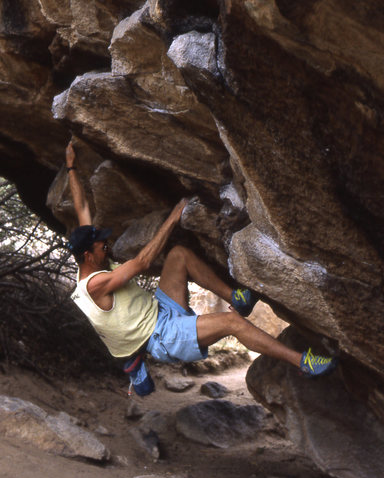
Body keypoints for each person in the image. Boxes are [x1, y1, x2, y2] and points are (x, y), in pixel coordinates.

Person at [65, 141, 337, 394]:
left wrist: (71, 167)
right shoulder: (94, 285)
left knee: (179, 254)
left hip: (158, 311)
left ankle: (236, 299)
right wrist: (173, 217)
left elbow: (81, 207)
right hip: (161, 335)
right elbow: (142, 262)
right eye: (101, 246)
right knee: (231, 323)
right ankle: (303, 362)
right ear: (88, 255)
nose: (106, 246)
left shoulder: (88, 260)